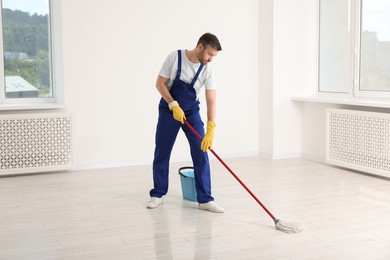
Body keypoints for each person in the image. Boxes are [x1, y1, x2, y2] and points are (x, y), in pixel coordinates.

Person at [146, 33, 224, 213]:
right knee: (162, 150)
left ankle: (204, 199)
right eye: (210, 54)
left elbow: (211, 99)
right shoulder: (175, 57)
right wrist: (173, 104)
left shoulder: (207, 69)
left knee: (201, 151)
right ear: (200, 47)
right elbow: (160, 84)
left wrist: (211, 128)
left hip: (190, 111)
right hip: (169, 109)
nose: (210, 59)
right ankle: (158, 194)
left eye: (213, 56)